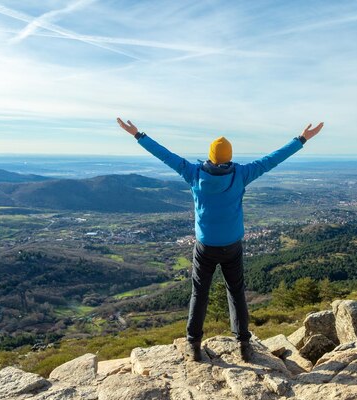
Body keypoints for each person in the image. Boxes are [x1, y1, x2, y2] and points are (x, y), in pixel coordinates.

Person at [117, 118, 324, 362]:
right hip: (232, 246)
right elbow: (272, 160)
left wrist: (138, 135)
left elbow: (165, 155)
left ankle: (193, 345)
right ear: (229, 156)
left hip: (205, 247)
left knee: (199, 293)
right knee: (236, 293)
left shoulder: (193, 173)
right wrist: (301, 139)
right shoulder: (241, 174)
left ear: (210, 156)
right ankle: (244, 345)